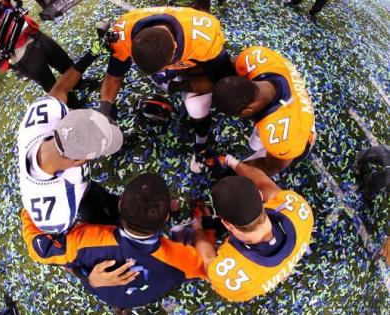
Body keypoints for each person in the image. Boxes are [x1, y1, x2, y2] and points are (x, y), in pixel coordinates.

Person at [21, 173, 207, 310]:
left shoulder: (87, 240)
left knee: (89, 197)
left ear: (120, 204)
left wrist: (31, 206)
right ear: (166, 217)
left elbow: (40, 249)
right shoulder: (182, 258)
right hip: (140, 296)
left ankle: (117, 305)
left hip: (105, 289)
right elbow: (208, 265)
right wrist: (202, 226)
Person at [98, 6, 235, 172]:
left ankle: (201, 145)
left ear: (176, 46)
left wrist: (180, 86)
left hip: (195, 68)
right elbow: (113, 76)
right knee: (162, 79)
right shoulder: (122, 35)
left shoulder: (204, 40)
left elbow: (222, 81)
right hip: (170, 63)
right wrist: (104, 109)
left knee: (196, 106)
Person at [17, 47, 123, 234]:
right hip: (80, 203)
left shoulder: (44, 115)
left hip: (79, 186)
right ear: (79, 161)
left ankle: (115, 205)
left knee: (104, 197)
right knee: (102, 216)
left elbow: (60, 88)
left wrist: (92, 52)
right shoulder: (59, 213)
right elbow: (66, 248)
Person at [193, 154, 314, 302]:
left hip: (257, 277)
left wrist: (197, 224)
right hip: (282, 259)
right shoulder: (299, 209)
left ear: (227, 225)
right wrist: (231, 161)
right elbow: (264, 183)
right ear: (260, 195)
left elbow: (207, 260)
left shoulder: (229, 277)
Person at [212, 46, 316, 176]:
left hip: (301, 132)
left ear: (246, 111)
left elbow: (270, 167)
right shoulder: (256, 57)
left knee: (242, 173)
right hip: (291, 102)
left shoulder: (283, 135)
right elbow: (229, 65)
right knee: (255, 144)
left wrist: (231, 168)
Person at [0, 0, 95, 97]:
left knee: (64, 62)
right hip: (22, 57)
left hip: (36, 36)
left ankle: (79, 84)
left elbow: (17, 5)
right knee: (50, 84)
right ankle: (72, 103)